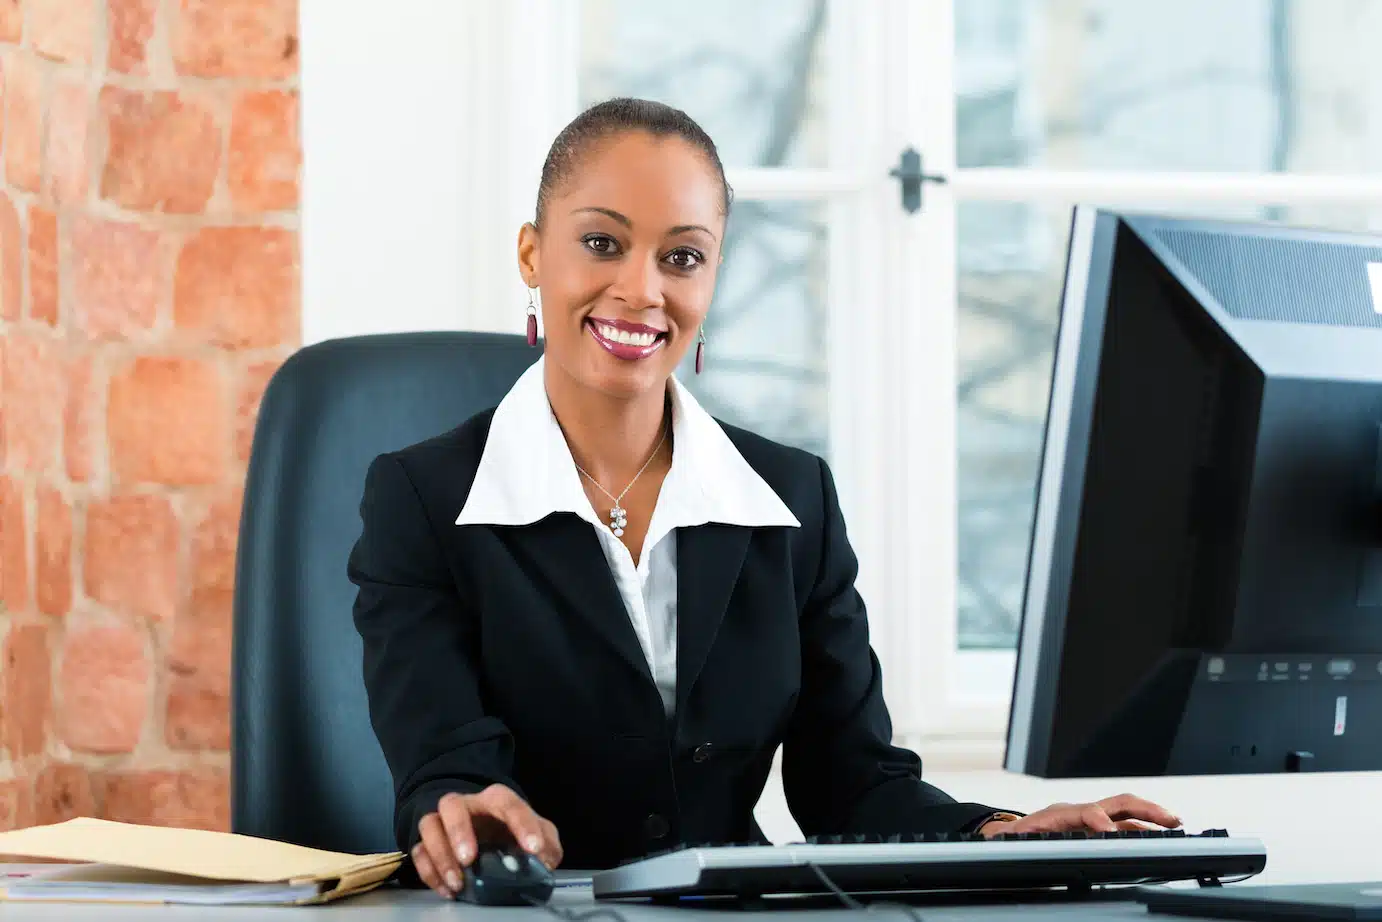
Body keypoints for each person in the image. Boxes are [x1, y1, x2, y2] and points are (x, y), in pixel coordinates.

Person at [348, 97, 1180, 899]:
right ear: (532, 254)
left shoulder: (790, 502)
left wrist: (1006, 835)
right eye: (602, 243)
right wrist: (468, 819)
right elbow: (446, 766)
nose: (642, 290)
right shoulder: (424, 499)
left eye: (682, 257)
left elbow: (854, 790)